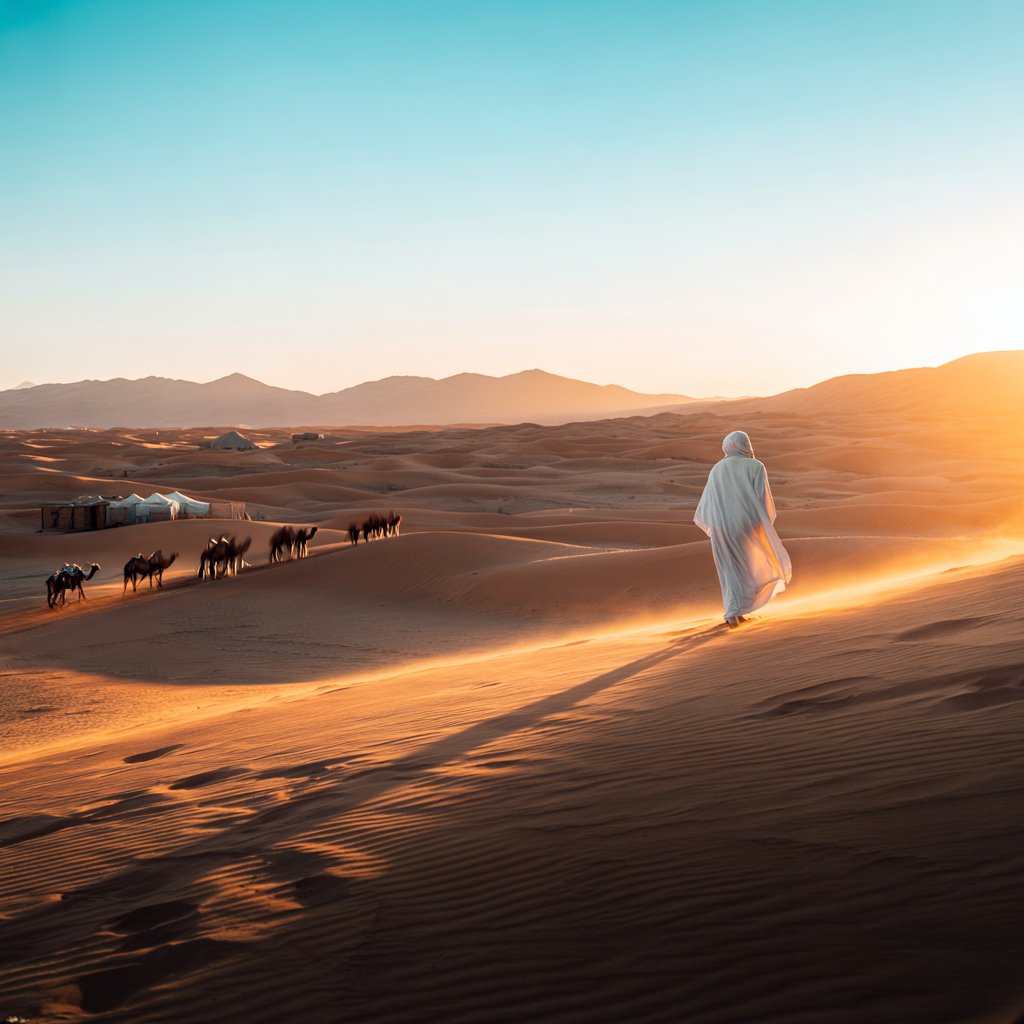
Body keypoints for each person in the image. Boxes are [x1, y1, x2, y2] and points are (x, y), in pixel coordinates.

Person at [694, 430, 792, 628]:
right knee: (752, 565)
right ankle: (736, 610)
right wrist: (763, 524)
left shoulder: (717, 468)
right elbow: (763, 499)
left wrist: (715, 524)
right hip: (745, 523)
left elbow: (709, 502)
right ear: (745, 444)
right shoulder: (756, 466)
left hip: (720, 526)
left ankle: (733, 612)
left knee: (729, 569)